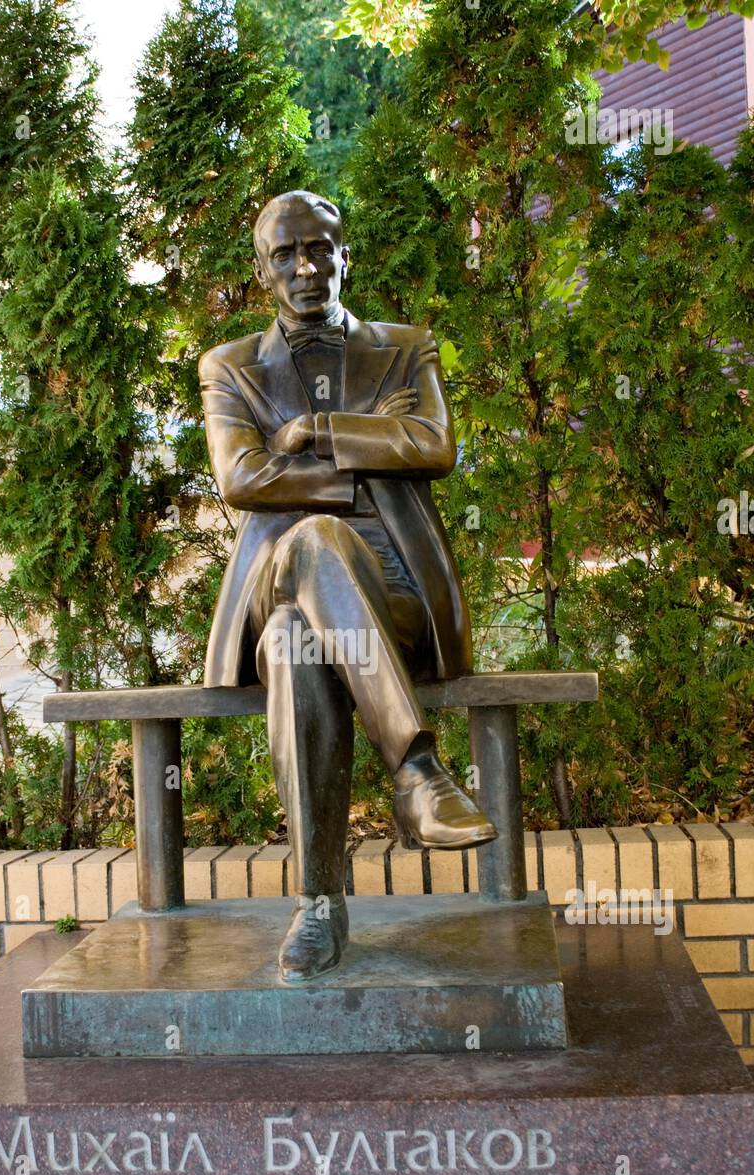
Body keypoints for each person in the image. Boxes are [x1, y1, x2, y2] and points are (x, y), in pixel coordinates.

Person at [200, 190, 496, 982]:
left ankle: (318, 905)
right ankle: (417, 773)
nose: (306, 266)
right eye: (287, 253)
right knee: (315, 544)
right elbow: (243, 477)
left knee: (299, 640)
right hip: (276, 575)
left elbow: (433, 445)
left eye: (320, 249)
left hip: (394, 595)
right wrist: (363, 458)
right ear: (262, 271)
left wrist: (315, 432)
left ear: (344, 256)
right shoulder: (230, 368)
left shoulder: (405, 349)